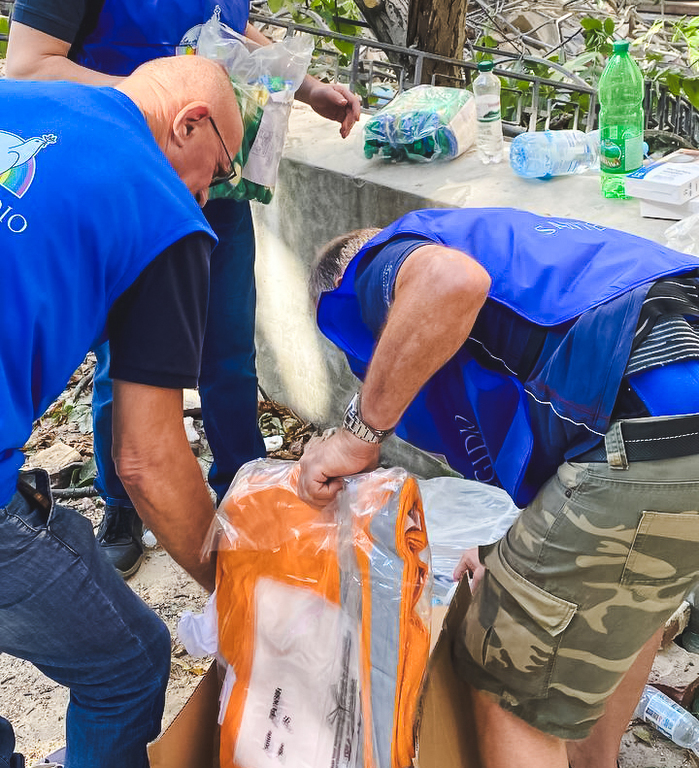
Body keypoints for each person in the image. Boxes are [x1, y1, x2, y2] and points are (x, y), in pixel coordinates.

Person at [297, 207, 699, 768]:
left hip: (656, 425)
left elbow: (448, 282)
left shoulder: (377, 263)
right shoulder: (527, 250)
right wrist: (513, 549)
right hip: (667, 410)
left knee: (509, 670)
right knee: (631, 600)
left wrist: (358, 433)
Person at [6, 0, 362, 578]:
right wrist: (162, 103)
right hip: (136, 171)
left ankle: (242, 490)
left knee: (229, 351)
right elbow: (27, 64)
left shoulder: (208, 174)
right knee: (122, 359)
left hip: (204, 162)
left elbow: (229, 27)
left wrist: (309, 89)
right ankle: (122, 504)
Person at [0, 54, 243, 768]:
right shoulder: (161, 209)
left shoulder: (14, 98)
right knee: (126, 662)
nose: (209, 196)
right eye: (220, 171)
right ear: (188, 124)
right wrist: (234, 592)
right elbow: (147, 461)